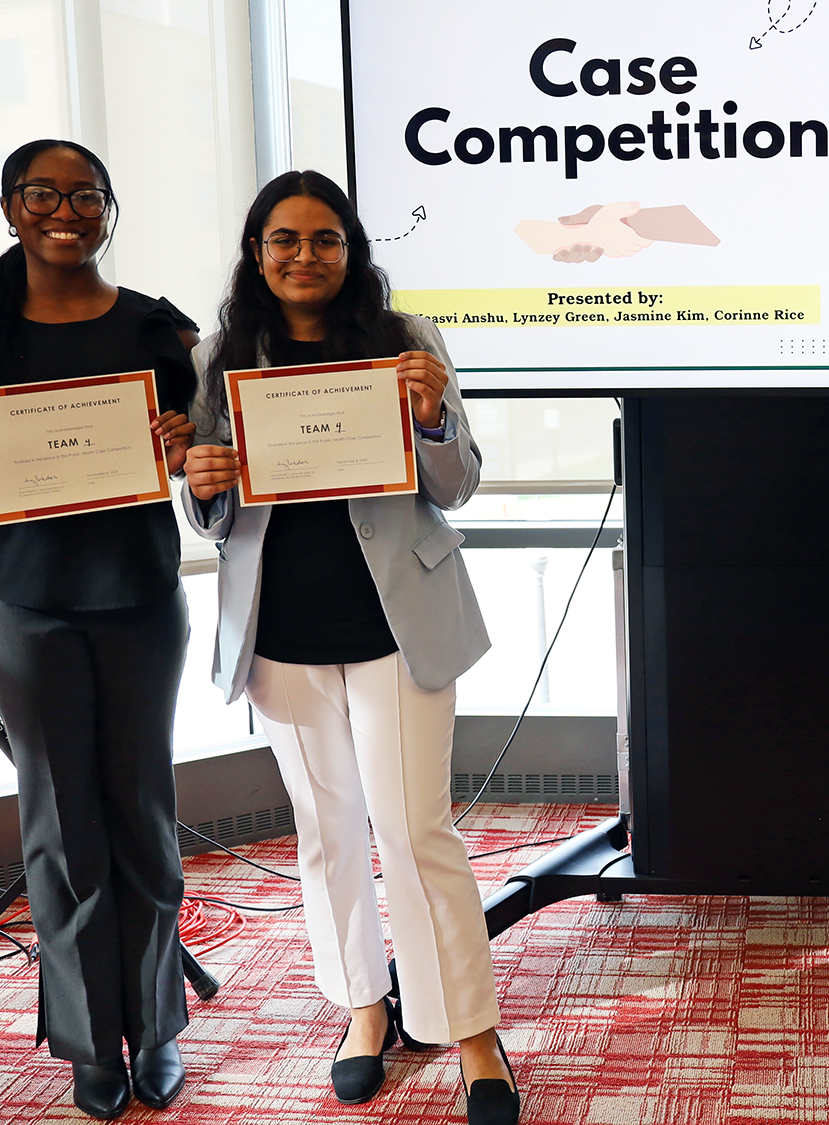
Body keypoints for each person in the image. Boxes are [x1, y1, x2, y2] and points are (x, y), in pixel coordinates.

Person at [179, 170, 517, 1123]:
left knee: (416, 832)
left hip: (394, 626)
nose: (304, 256)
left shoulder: (406, 343)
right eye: (283, 240)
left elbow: (457, 485)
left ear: (351, 250)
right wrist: (201, 482)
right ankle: (365, 1009)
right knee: (328, 836)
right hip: (281, 635)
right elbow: (209, 515)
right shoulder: (220, 355)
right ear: (257, 252)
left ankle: (471, 1030)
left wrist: (433, 415)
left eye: (325, 239)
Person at [0, 140, 200, 1120]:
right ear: (9, 206)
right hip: (24, 607)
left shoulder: (162, 331)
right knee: (60, 833)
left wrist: (192, 446)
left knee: (142, 822)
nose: (64, 210)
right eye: (42, 193)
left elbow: (205, 473)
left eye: (85, 195)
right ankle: (86, 1047)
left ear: (110, 209)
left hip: (141, 600)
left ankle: (153, 1029)